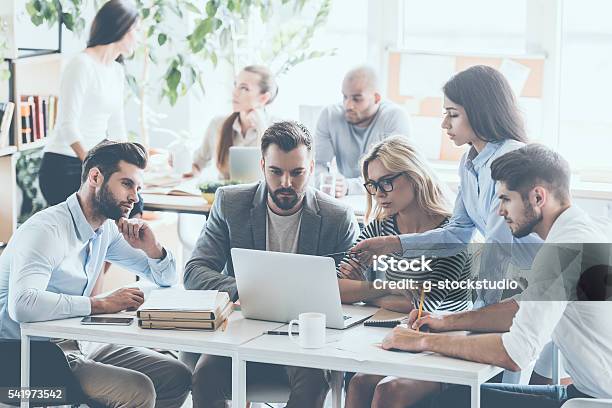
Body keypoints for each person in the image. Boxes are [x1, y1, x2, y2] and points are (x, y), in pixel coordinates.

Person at [381, 144, 612, 407]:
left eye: (505, 199)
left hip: (594, 402)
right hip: (584, 393)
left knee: (444, 402)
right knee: (452, 398)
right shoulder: (580, 232)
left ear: (538, 197)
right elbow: (520, 308)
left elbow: (516, 353)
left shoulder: (562, 252)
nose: (500, 212)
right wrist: (446, 321)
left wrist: (421, 340)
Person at [182, 121, 362, 408]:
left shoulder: (337, 217)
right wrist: (249, 290)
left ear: (312, 167)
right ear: (262, 165)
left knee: (312, 382)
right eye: (276, 172)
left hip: (304, 338)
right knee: (204, 376)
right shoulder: (230, 203)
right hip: (241, 331)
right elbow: (194, 272)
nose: (286, 183)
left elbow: (351, 291)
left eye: (297, 172)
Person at [0, 141, 191, 408]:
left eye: (138, 188)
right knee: (139, 390)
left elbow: (166, 278)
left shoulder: (105, 230)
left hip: (77, 342)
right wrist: (99, 304)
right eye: (126, 184)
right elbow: (22, 305)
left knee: (177, 375)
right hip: (26, 361)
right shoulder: (46, 230)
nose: (134, 197)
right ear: (95, 177)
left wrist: (153, 249)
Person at [353, 65, 541, 308]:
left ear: (479, 112)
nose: (444, 124)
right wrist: (393, 243)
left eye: (452, 114)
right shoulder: (469, 162)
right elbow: (457, 234)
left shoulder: (510, 160)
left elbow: (498, 249)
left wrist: (476, 316)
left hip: (549, 282)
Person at [339, 135, 473, 408]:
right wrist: (387, 287)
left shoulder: (452, 235)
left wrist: (365, 294)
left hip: (447, 341)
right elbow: (336, 288)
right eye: (373, 185)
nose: (379, 193)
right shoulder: (379, 228)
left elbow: (421, 305)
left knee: (390, 391)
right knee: (358, 382)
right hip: (395, 335)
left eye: (387, 182)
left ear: (414, 177)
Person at [39, 0, 144, 217]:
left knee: (137, 206)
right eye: (136, 30)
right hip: (65, 163)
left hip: (94, 166)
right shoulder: (81, 64)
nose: (139, 37)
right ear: (121, 27)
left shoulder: (116, 71)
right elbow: (67, 125)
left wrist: (131, 164)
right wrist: (95, 166)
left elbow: (117, 125)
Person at [315, 65, 412, 197]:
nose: (348, 105)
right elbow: (318, 164)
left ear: (376, 98)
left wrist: (349, 186)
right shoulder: (329, 115)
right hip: (348, 199)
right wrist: (328, 182)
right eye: (345, 97)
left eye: (357, 98)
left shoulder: (395, 117)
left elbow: (395, 174)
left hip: (386, 198)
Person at [187, 65, 278, 179]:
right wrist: (182, 168)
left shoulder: (277, 128)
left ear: (263, 98)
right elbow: (197, 164)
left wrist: (261, 126)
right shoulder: (217, 124)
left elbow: (273, 173)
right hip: (223, 196)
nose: (234, 92)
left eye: (244, 88)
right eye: (236, 85)